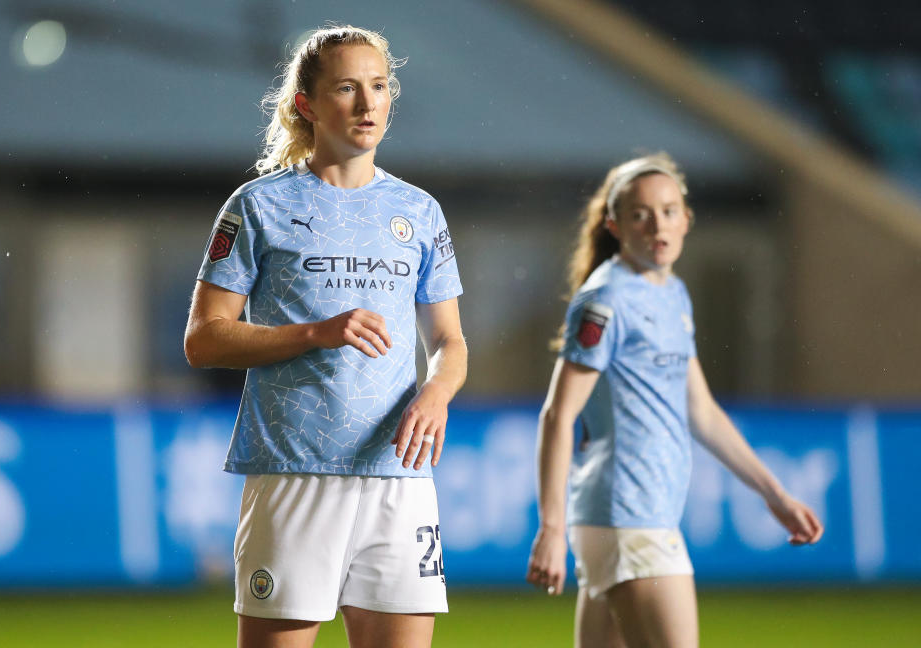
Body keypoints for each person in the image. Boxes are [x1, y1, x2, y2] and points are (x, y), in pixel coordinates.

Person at [184, 25, 467, 648]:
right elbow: (205, 340)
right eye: (347, 88)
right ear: (307, 104)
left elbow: (449, 340)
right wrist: (316, 331)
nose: (368, 105)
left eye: (379, 86)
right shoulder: (257, 205)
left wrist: (437, 393)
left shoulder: (418, 211)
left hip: (399, 474)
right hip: (295, 470)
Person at [525, 153, 823, 648]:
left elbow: (701, 411)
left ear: (686, 220)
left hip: (625, 520)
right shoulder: (606, 300)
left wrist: (774, 493)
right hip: (629, 516)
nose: (657, 225)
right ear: (615, 225)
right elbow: (559, 413)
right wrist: (550, 527)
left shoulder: (672, 293)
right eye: (640, 214)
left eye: (668, 211)